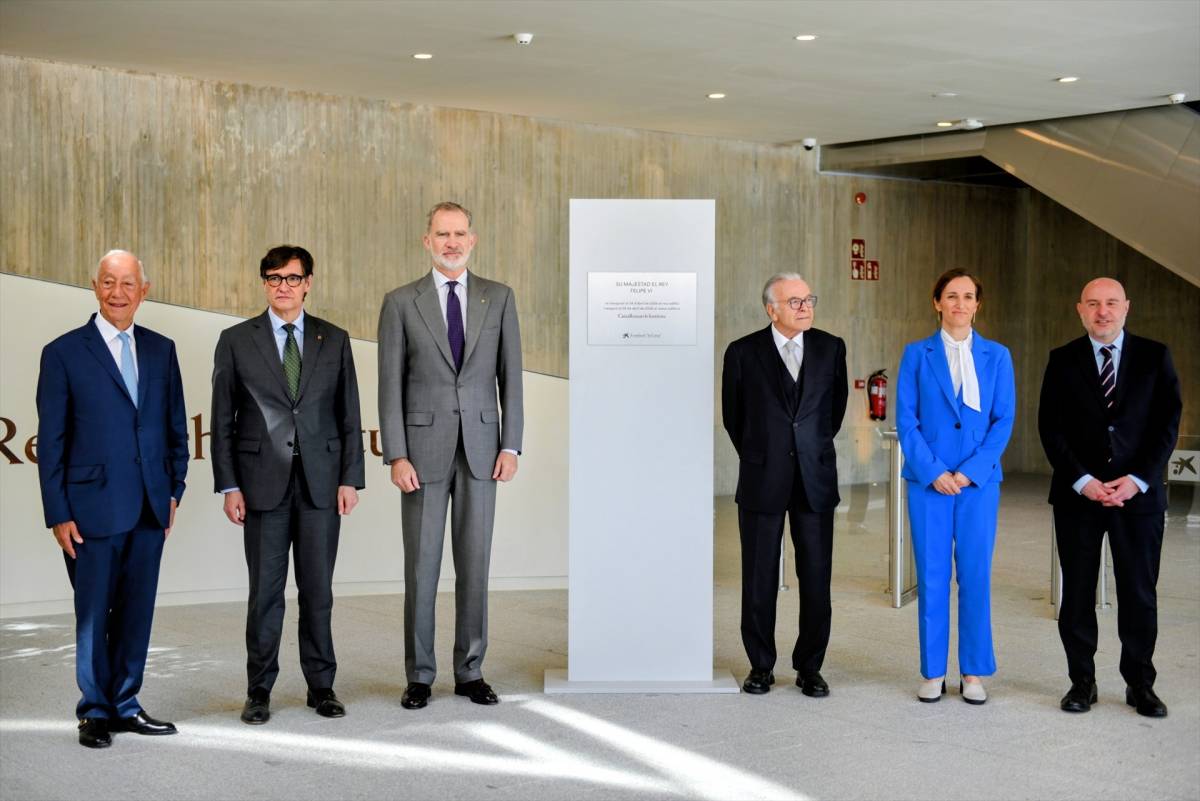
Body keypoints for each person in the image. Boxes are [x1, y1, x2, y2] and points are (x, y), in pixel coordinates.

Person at [36, 249, 189, 748]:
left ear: (143, 291)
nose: (117, 293)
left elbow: (173, 428)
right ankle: (95, 711)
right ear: (94, 287)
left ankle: (126, 703)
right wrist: (58, 512)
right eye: (108, 282)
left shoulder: (162, 349)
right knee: (93, 612)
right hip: (90, 509)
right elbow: (52, 441)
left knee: (136, 611)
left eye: (127, 284)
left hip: (150, 505)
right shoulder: (62, 353)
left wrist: (175, 489)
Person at [378, 201, 523, 709]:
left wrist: (511, 443)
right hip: (421, 454)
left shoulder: (499, 298)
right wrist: (396, 454)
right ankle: (419, 674)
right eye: (442, 234)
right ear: (427, 241)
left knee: (475, 565)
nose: (452, 242)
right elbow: (389, 386)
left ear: (473, 238)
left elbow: (512, 378)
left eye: (460, 233)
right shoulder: (400, 302)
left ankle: (470, 671)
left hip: (484, 452)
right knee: (421, 568)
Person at [211, 245, 365, 724]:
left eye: (292, 278)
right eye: (273, 277)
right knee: (266, 594)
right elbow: (222, 421)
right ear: (264, 283)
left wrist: (350, 479)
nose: (283, 285)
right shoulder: (236, 339)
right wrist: (229, 485)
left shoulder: (333, 339)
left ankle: (322, 687)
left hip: (321, 484)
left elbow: (349, 414)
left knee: (318, 592)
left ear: (308, 282)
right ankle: (259, 691)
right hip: (261, 487)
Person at [1038, 277, 1181, 718]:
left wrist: (1138, 478)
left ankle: (1140, 684)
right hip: (1079, 496)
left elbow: (1166, 425)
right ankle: (1082, 683)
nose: (1103, 311)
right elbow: (1050, 427)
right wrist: (1083, 480)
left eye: (1112, 303)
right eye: (1094, 304)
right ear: (1080, 309)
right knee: (1077, 595)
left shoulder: (1156, 357)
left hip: (1138, 497)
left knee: (1139, 593)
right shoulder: (1062, 360)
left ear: (1126, 307)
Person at [721, 273, 848, 697]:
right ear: (771, 309)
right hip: (763, 476)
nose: (805, 306)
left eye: (808, 298)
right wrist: (764, 453)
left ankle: (810, 667)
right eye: (794, 301)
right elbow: (733, 417)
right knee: (758, 577)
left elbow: (834, 412)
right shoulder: (742, 352)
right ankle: (760, 665)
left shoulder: (832, 348)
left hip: (814, 477)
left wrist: (808, 449)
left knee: (816, 576)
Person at [896, 268, 1015, 705]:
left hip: (978, 485)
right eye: (951, 295)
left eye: (968, 296)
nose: (960, 303)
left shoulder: (998, 356)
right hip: (929, 484)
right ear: (937, 302)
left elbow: (1004, 420)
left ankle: (973, 672)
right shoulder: (916, 354)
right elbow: (906, 421)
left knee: (976, 576)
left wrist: (969, 472)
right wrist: (934, 472)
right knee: (931, 576)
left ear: (978, 304)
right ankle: (932, 671)